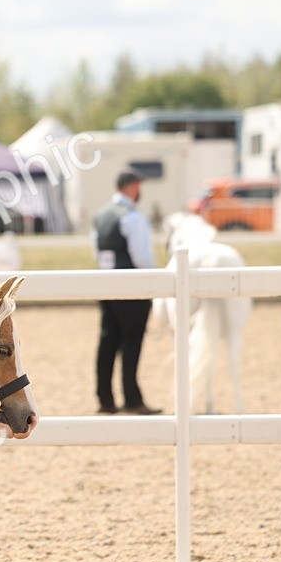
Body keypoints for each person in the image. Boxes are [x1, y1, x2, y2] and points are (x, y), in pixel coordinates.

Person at [93, 171, 161, 415]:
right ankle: (132, 399)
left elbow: (97, 253)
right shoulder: (133, 217)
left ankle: (105, 399)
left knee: (107, 341)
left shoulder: (100, 216)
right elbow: (143, 258)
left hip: (106, 284)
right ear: (132, 187)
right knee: (132, 342)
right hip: (132, 286)